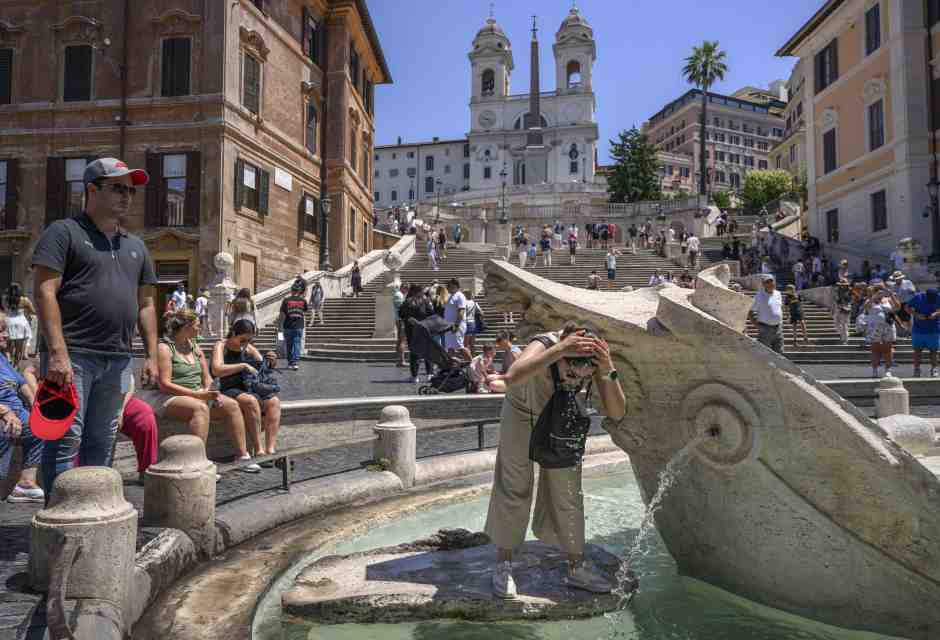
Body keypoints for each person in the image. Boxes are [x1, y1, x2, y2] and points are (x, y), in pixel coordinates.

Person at [32, 157, 159, 499]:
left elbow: (147, 304)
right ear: (91, 189)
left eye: (130, 191)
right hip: (72, 356)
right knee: (65, 438)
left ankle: (94, 509)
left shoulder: (136, 246)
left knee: (103, 440)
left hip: (118, 358)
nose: (126, 196)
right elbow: (44, 292)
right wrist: (57, 352)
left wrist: (151, 355)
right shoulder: (63, 232)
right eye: (118, 188)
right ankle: (60, 511)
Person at [484, 323, 626, 597]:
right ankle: (504, 564)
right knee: (514, 484)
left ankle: (577, 567)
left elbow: (617, 411)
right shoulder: (546, 343)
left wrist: (607, 367)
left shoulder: (593, 357)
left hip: (559, 416)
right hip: (521, 412)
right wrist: (559, 350)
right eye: (570, 373)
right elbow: (512, 376)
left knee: (568, 490)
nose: (574, 381)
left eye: (582, 378)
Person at [147, 310, 257, 470]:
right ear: (186, 327)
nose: (200, 329)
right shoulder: (164, 348)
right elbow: (165, 384)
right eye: (198, 325)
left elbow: (207, 378)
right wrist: (198, 395)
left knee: (232, 405)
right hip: (169, 396)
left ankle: (242, 455)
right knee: (200, 408)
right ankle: (198, 462)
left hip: (197, 393)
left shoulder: (195, 347)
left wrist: (210, 391)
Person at [212, 318, 282, 462]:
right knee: (250, 401)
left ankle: (270, 449)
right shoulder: (221, 346)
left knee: (274, 402)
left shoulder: (249, 348)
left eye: (249, 340)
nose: (245, 344)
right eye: (242, 340)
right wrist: (242, 366)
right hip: (227, 387)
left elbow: (262, 368)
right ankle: (259, 449)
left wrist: (271, 362)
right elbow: (217, 369)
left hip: (247, 386)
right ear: (233, 333)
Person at [0, 315, 44, 503]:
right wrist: (5, 412)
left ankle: (25, 485)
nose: (6, 335)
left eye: (5, 330)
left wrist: (36, 407)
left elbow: (21, 383)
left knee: (39, 429)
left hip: (16, 411)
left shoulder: (2, 358)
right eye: (1, 331)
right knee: (7, 429)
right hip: (4, 412)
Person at [399, 284, 435, 384]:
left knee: (414, 353)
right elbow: (432, 313)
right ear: (419, 292)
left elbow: (401, 314)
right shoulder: (425, 301)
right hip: (424, 329)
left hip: (412, 330)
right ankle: (430, 374)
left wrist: (408, 319)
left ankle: (414, 376)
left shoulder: (407, 301)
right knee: (427, 352)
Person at [866, 289, 900, 378]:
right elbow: (866, 307)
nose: (881, 293)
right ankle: (875, 370)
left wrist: (891, 295)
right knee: (875, 349)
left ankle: (888, 370)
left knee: (888, 349)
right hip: (875, 327)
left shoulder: (888, 299)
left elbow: (897, 307)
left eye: (882, 291)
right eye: (878, 291)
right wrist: (874, 297)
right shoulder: (871, 300)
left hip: (888, 326)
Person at [907, 288, 940, 377]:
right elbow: (907, 307)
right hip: (918, 329)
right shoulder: (918, 297)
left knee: (934, 351)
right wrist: (916, 315)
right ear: (926, 295)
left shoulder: (938, 296)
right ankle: (917, 369)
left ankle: (934, 369)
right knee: (917, 351)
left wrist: (936, 313)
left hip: (934, 329)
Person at [750, 275, 783, 354]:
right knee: (765, 353)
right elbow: (750, 311)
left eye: (771, 281)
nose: (770, 284)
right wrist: (756, 325)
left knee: (779, 353)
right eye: (767, 282)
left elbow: (779, 308)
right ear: (763, 284)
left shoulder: (778, 294)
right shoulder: (759, 296)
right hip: (765, 328)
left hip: (778, 328)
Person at [3, 283, 34, 367]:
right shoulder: (25, 300)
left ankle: (8, 360)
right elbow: (32, 311)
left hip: (9, 322)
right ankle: (16, 367)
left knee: (8, 346)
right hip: (21, 324)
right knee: (19, 348)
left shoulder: (5, 299)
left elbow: (5, 309)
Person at [279, 282, 308, 370]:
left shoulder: (286, 300)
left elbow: (282, 314)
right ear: (299, 291)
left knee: (289, 345)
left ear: (291, 291)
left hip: (288, 325)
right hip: (299, 325)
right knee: (297, 343)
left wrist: (280, 326)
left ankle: (290, 362)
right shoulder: (303, 301)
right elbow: (305, 310)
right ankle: (295, 362)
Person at [443, 278, 469, 360]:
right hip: (449, 326)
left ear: (454, 286)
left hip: (456, 325)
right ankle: (451, 365)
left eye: (449, 286)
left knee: (460, 347)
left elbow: (461, 311)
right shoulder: (450, 296)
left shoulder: (460, 295)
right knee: (450, 347)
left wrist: (456, 325)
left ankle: (472, 364)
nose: (447, 287)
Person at [833, 278, 853, 345]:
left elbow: (850, 300)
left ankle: (845, 339)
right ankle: (842, 334)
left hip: (846, 308)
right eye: (842, 284)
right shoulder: (838, 291)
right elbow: (836, 299)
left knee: (844, 324)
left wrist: (846, 305)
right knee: (836, 323)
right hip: (838, 307)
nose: (843, 286)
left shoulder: (849, 291)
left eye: (844, 284)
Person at [394, 283, 408, 367]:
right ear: (403, 288)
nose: (407, 291)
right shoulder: (398, 295)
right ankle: (402, 360)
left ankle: (399, 360)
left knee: (400, 340)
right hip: (401, 320)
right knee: (402, 340)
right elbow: (402, 307)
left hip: (399, 319)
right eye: (406, 289)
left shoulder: (399, 295)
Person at [464, 291, 481, 356]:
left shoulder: (464, 303)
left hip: (466, 323)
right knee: (472, 343)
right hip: (473, 323)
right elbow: (481, 312)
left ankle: (467, 358)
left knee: (466, 344)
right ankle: (473, 356)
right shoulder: (475, 303)